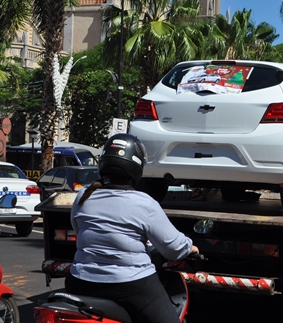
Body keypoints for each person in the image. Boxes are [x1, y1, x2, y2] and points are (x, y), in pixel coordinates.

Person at [65, 133, 199, 323]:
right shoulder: (144, 203)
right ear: (137, 167)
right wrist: (190, 247)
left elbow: (80, 234)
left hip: (79, 282)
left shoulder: (84, 196)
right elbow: (173, 247)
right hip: (130, 285)